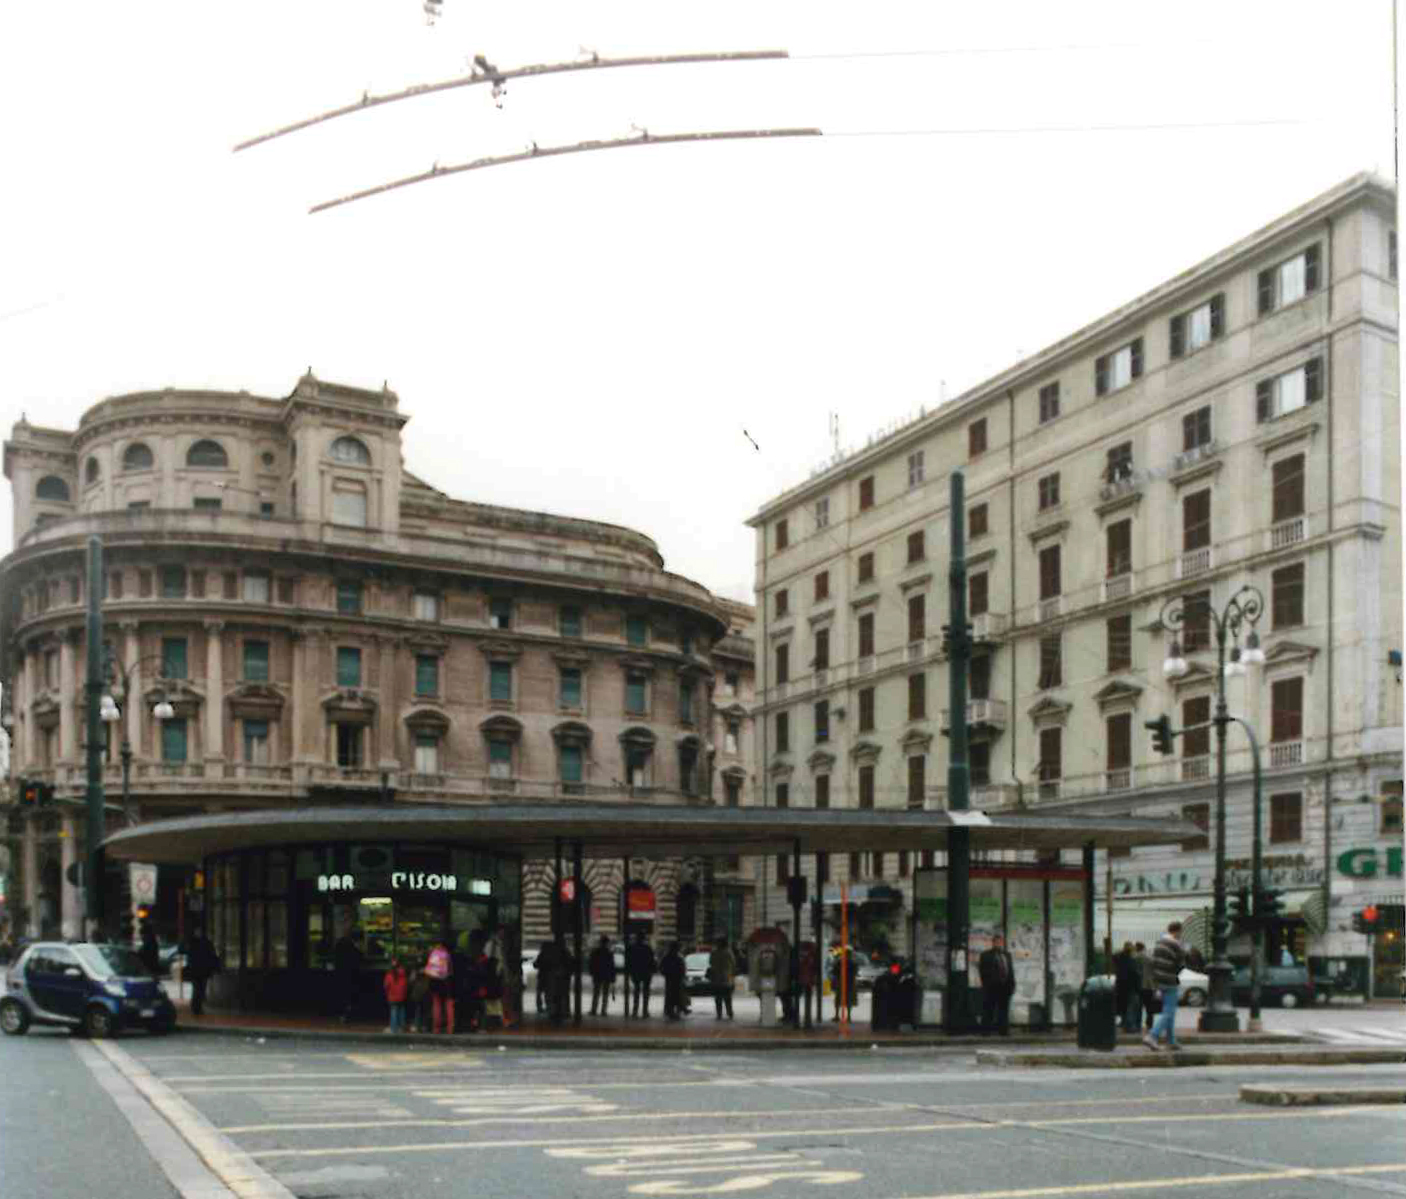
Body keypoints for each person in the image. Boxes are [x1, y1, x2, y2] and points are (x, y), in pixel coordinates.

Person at [1146, 921, 1187, 1051]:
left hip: (1158, 980)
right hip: (1170, 980)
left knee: (1168, 1011)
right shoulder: (1176, 945)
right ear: (1178, 931)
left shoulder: (1159, 943)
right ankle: (1152, 1036)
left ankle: (1171, 1040)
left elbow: (1152, 963)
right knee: (1169, 1012)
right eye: (1181, 932)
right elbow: (1181, 965)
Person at [978, 933, 1016, 1036]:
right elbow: (982, 971)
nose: (998, 944)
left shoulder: (1007, 955)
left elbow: (1010, 971)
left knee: (1003, 1010)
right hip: (992, 987)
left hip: (1005, 986)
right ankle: (986, 1031)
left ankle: (1003, 1030)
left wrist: (1012, 985)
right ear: (993, 943)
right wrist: (986, 984)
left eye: (1000, 942)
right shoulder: (986, 955)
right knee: (989, 1009)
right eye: (996, 942)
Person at [184, 927, 220, 1017]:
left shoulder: (205, 943)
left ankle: (198, 1007)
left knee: (201, 990)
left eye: (199, 932)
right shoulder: (192, 942)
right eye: (197, 932)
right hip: (196, 970)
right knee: (197, 990)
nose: (198, 933)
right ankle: (196, 1008)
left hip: (202, 970)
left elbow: (211, 955)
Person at [333, 929, 364, 1023]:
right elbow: (358, 958)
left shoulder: (339, 944)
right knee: (349, 996)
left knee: (343, 995)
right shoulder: (352, 948)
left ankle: (343, 1014)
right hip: (350, 975)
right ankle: (346, 1014)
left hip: (340, 974)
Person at [425, 936, 455, 1033]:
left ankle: (436, 1028)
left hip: (434, 981)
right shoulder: (447, 954)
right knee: (449, 1004)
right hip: (446, 981)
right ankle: (450, 1028)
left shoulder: (433, 953)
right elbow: (450, 970)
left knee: (436, 1004)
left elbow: (429, 968)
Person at [625, 932, 656, 1019]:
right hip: (646, 972)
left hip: (636, 972)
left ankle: (635, 1011)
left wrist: (629, 971)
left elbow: (629, 961)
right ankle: (645, 1011)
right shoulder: (647, 948)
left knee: (636, 991)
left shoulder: (632, 948)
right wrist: (652, 970)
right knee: (646, 993)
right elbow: (652, 960)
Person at [1113, 941, 1139, 1032]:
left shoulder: (1118, 958)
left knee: (1123, 1006)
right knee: (1130, 1007)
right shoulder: (1132, 960)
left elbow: (1114, 957)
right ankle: (1130, 1026)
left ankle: (1124, 1024)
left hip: (1120, 985)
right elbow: (1135, 974)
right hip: (1130, 986)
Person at [709, 936, 736, 1020]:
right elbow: (733, 964)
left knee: (718, 998)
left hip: (717, 978)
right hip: (726, 978)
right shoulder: (728, 952)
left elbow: (711, 962)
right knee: (727, 997)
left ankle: (719, 1014)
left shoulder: (714, 952)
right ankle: (729, 1013)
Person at [588, 935, 616, 1016]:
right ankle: (603, 1011)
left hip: (597, 975)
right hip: (606, 975)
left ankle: (594, 1010)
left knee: (596, 993)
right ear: (606, 943)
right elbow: (611, 966)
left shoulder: (595, 952)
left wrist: (592, 972)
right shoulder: (609, 953)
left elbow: (591, 963)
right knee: (605, 994)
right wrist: (613, 977)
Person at [659, 941, 686, 1020]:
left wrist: (665, 974)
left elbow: (661, 967)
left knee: (671, 995)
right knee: (675, 994)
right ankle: (676, 1010)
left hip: (671, 978)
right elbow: (682, 968)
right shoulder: (677, 957)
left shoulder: (667, 957)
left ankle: (672, 1010)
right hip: (674, 978)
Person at [1133, 942, 1155, 1031]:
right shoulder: (1149, 958)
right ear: (1144, 948)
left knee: (1138, 1007)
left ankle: (1137, 1025)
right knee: (1150, 1007)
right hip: (1148, 985)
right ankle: (1149, 1024)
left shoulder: (1134, 958)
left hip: (1137, 985)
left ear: (1136, 948)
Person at [383, 958, 409, 1033]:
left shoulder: (389, 974)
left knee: (394, 1011)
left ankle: (393, 1028)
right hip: (402, 996)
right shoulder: (404, 974)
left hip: (392, 996)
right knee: (402, 1011)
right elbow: (406, 985)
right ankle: (402, 1028)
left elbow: (386, 985)